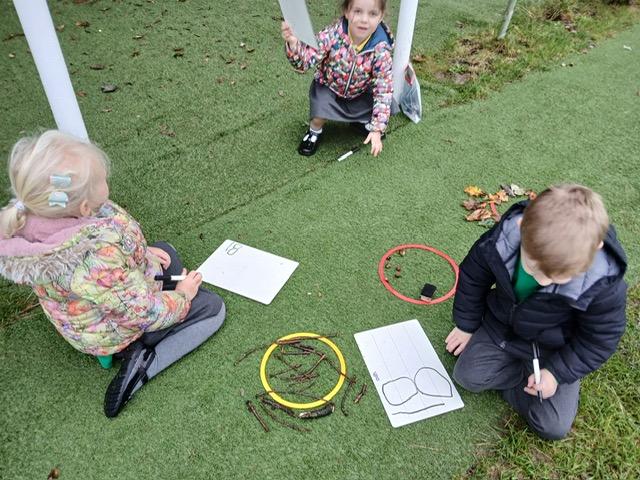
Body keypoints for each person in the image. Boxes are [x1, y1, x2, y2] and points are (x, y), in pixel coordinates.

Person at [0, 130, 225, 418]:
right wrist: (182, 297)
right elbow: (141, 312)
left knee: (166, 252)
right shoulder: (94, 259)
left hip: (101, 304)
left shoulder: (41, 215)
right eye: (102, 179)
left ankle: (152, 319)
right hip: (113, 329)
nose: (106, 179)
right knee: (212, 309)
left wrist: (143, 254)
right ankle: (142, 361)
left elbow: (114, 247)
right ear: (84, 207)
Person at [445, 184, 627, 440]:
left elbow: (599, 340)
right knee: (467, 377)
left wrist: (556, 373)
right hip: (502, 330)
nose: (541, 280)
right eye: (532, 265)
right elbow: (474, 277)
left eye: (557, 276)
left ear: (596, 247)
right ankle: (522, 376)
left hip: (553, 349)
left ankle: (539, 381)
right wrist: (466, 324)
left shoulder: (603, 286)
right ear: (522, 227)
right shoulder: (505, 238)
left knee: (552, 426)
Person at [281, 0, 393, 157]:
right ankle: (314, 132)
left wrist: (377, 129)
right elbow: (304, 62)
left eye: (372, 14)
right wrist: (294, 44)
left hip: (359, 92)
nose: (364, 20)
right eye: (358, 11)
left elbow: (383, 89)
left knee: (381, 103)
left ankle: (360, 122)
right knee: (319, 113)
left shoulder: (381, 50)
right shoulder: (333, 34)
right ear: (347, 11)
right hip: (329, 88)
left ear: (381, 16)